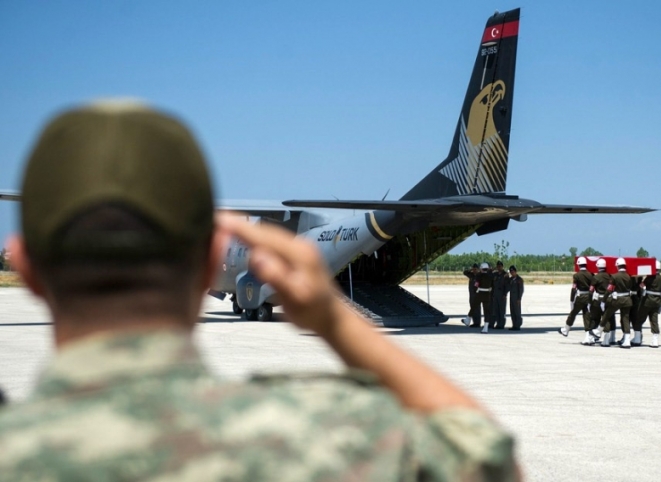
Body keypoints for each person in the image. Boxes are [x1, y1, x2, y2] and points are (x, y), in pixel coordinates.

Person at [0, 102, 520, 480]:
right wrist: (336, 324)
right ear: (209, 258)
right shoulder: (327, 434)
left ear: (23, 265)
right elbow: (486, 460)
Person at [600, 258, 633, 348]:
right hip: (627, 300)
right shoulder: (629, 276)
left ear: (617, 266)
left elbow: (609, 289)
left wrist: (603, 300)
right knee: (625, 319)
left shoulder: (614, 276)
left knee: (607, 314)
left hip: (617, 300)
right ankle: (627, 340)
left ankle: (598, 331)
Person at [559, 256, 593, 344]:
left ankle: (566, 329)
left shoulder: (576, 275)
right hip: (588, 297)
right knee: (586, 316)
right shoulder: (590, 274)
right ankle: (587, 336)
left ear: (578, 265)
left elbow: (574, 288)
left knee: (573, 313)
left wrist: (571, 300)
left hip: (580, 297)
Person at [637, 260, 661, 348]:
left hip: (647, 301)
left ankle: (637, 338)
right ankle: (655, 341)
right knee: (654, 321)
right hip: (657, 303)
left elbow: (642, 286)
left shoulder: (649, 277)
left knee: (639, 319)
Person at [588, 258, 612, 345]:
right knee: (606, 319)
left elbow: (591, 291)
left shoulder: (596, 277)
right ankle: (606, 340)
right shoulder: (610, 276)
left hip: (598, 300)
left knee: (594, 318)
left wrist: (589, 302)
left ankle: (591, 338)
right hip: (608, 300)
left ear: (597, 267)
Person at [475, 262, 495, 333]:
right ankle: (486, 326)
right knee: (487, 311)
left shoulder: (479, 276)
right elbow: (493, 286)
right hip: (488, 295)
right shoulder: (491, 275)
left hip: (481, 294)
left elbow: (476, 285)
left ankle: (485, 327)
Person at [491, 260, 510, 329]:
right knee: (496, 310)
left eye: (500, 266)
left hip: (502, 294)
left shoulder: (505, 275)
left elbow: (507, 286)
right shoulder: (495, 274)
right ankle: (498, 323)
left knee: (502, 310)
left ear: (502, 266)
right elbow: (489, 275)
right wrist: (493, 269)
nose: (499, 267)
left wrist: (505, 294)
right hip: (495, 294)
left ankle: (501, 324)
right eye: (498, 266)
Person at [508, 265, 524, 330]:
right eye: (511, 272)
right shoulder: (511, 279)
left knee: (517, 312)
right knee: (512, 312)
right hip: (511, 298)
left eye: (513, 271)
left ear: (515, 271)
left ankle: (518, 325)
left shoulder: (519, 280)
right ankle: (514, 325)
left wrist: (519, 298)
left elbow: (521, 290)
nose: (512, 273)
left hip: (516, 298)